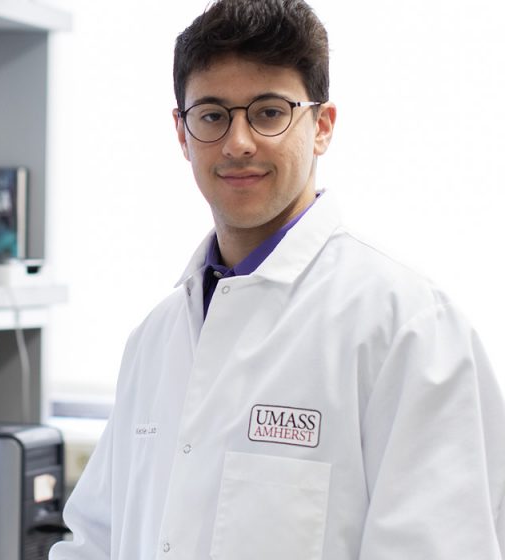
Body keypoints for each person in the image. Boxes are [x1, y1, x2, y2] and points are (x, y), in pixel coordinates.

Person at [49, 0, 505, 558]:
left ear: (322, 126)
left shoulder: (408, 328)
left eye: (268, 112)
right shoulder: (155, 337)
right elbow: (97, 541)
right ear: (181, 132)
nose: (238, 142)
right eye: (213, 114)